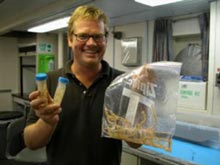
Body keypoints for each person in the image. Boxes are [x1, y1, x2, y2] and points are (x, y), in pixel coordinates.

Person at [24, 5, 140, 165]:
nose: (91, 43)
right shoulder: (50, 81)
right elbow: (31, 143)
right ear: (70, 40)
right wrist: (47, 122)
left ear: (106, 40)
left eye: (98, 36)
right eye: (83, 36)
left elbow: (135, 143)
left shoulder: (123, 81)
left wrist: (139, 105)